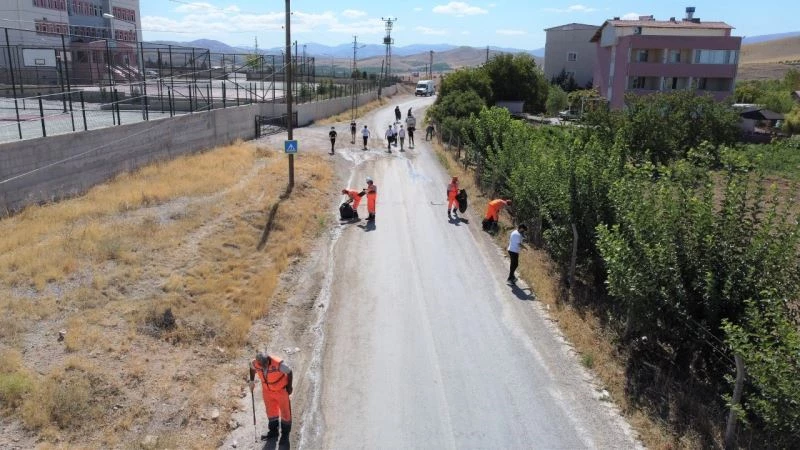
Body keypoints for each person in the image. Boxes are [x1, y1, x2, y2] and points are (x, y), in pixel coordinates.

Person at [249, 350, 294, 444]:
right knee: (271, 412)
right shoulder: (256, 363)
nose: (264, 367)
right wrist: (252, 381)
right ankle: (273, 432)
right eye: (262, 365)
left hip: (281, 390)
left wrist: (289, 387)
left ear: (268, 359)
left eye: (265, 364)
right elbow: (252, 368)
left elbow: (289, 372)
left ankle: (285, 436)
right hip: (267, 391)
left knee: (285, 413)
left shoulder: (279, 364)